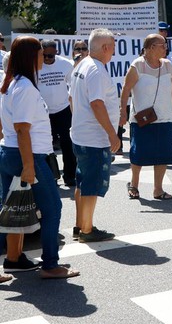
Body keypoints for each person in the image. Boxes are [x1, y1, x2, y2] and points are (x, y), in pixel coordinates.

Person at [0, 37, 78, 278]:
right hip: (26, 155)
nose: (43, 56)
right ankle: (50, 265)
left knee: (12, 208)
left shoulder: (14, 83)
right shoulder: (23, 87)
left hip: (12, 152)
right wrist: (29, 166)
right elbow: (23, 129)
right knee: (52, 208)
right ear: (29, 57)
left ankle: (13, 258)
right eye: (39, 52)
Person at [70, 28, 121, 243]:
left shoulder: (81, 65)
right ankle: (87, 230)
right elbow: (97, 103)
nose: (114, 51)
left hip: (81, 134)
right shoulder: (96, 70)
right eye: (113, 47)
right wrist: (112, 134)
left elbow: (72, 99)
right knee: (91, 185)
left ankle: (81, 224)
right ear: (106, 47)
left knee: (82, 182)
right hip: (94, 138)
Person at [119, 33, 172, 200]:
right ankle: (134, 185)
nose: (166, 48)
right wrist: (122, 111)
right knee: (139, 154)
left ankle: (158, 190)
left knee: (163, 155)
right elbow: (125, 90)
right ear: (151, 47)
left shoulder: (168, 65)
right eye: (163, 45)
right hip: (142, 119)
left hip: (165, 118)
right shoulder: (137, 65)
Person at [38, 40, 77, 186]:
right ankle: (52, 176)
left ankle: (70, 176)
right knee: (46, 145)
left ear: (56, 52)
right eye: (44, 56)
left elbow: (73, 85)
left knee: (68, 143)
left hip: (63, 110)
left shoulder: (65, 64)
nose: (47, 59)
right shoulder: (36, 65)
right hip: (43, 112)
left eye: (50, 56)